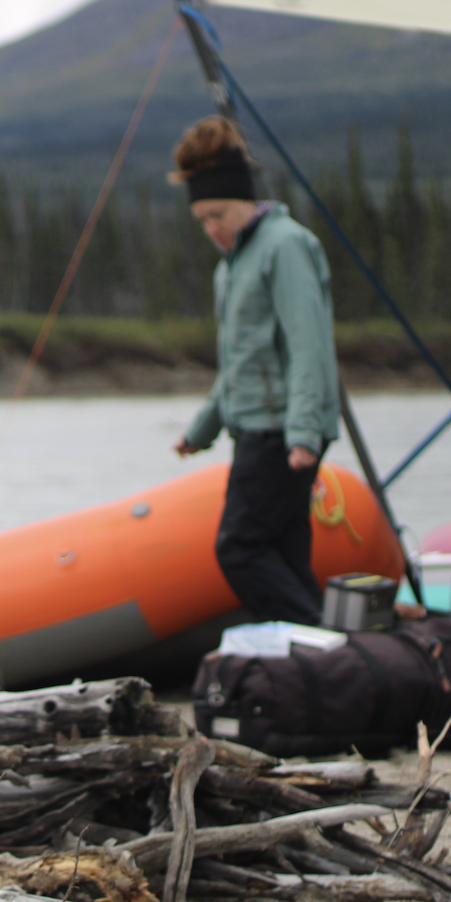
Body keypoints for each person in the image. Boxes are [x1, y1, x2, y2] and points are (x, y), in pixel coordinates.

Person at [170, 117, 340, 625]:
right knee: (286, 553)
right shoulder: (233, 264)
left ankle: (319, 647)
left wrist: (304, 431)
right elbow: (241, 363)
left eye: (217, 214)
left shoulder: (284, 246)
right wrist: (203, 429)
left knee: (239, 548)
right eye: (201, 221)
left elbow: (308, 345)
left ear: (245, 199)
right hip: (252, 428)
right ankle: (322, 668)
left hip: (280, 432)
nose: (212, 229)